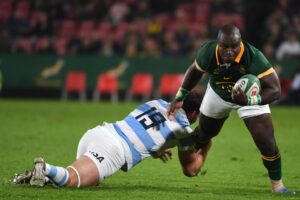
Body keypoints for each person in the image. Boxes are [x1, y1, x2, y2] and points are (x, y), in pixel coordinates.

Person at [167, 24, 295, 194]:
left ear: (240, 43)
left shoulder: (254, 56)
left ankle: (277, 185)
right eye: (225, 46)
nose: (229, 51)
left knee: (266, 141)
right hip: (218, 93)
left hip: (249, 97)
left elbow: (275, 90)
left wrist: (250, 99)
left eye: (234, 46)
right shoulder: (208, 51)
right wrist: (179, 97)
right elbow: (195, 71)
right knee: (204, 134)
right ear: (218, 44)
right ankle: (178, 153)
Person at [11, 91, 211, 188]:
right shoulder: (183, 130)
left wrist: (157, 150)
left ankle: (37, 177)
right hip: (113, 150)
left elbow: (146, 130)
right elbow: (191, 170)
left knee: (76, 181)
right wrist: (207, 144)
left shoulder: (158, 102)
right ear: (194, 114)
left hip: (100, 132)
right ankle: (44, 167)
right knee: (73, 180)